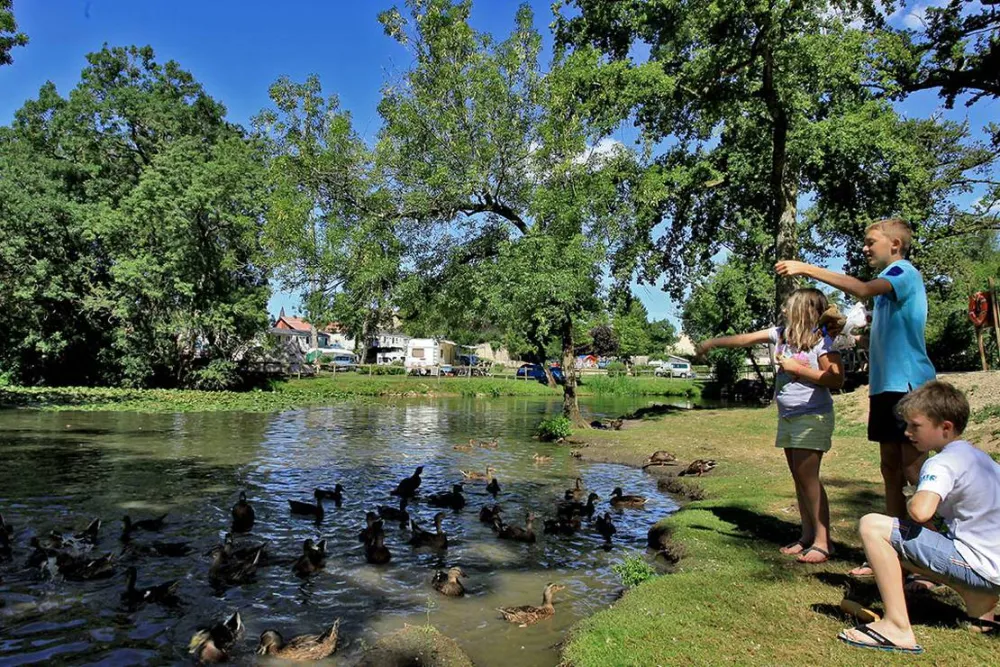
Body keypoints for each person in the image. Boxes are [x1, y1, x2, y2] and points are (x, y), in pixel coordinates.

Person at [776, 218, 936, 577]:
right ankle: (898, 554)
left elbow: (862, 289)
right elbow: (881, 338)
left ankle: (939, 554)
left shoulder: (903, 273)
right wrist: (855, 337)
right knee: (891, 472)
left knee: (916, 473)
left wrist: (806, 268)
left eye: (870, 241)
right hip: (885, 389)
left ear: (894, 244)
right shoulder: (889, 295)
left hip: (909, 388)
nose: (865, 247)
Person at [837, 381, 1000, 654]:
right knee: (931, 540)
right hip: (993, 566)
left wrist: (913, 494)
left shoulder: (941, 462)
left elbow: (920, 511)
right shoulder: (982, 460)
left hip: (979, 565)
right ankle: (981, 608)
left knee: (873, 526)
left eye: (915, 426)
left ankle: (897, 627)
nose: (907, 432)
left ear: (945, 428)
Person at [697, 288, 844, 563]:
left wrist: (797, 369)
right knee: (800, 479)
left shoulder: (821, 342)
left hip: (812, 416)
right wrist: (712, 342)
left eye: (789, 306)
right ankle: (807, 536)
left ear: (804, 310)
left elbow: (836, 379)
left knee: (809, 479)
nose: (784, 310)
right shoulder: (780, 335)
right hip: (788, 416)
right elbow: (743, 340)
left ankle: (824, 542)